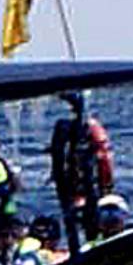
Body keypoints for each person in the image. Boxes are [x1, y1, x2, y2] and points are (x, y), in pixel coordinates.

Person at [48, 91, 116, 247]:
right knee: (79, 223)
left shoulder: (87, 130)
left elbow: (103, 159)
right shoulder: (66, 129)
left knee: (84, 223)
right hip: (76, 185)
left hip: (83, 185)